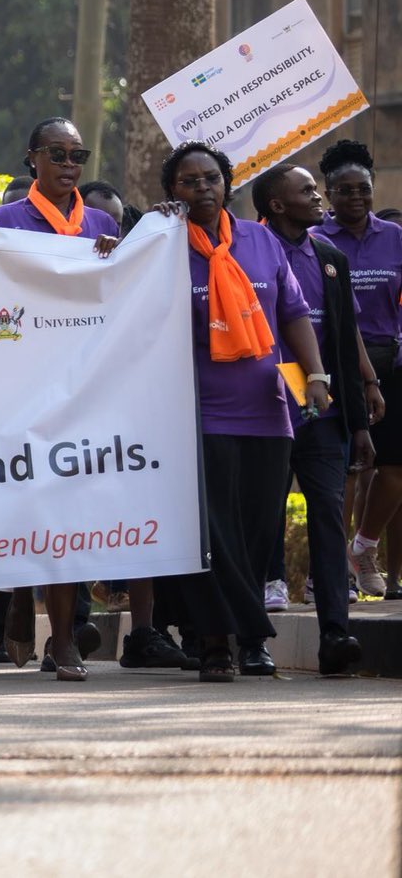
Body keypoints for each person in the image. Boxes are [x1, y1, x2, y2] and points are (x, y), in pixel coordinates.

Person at [161, 142, 332, 681]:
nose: (203, 187)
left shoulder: (260, 240)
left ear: (226, 182)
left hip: (268, 409)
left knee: (260, 531)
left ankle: (252, 639)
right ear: (174, 192)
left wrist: (317, 377)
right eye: (189, 181)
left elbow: (294, 314)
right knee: (213, 535)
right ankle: (217, 643)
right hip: (199, 412)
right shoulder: (162, 247)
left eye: (211, 177)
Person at [0, 119, 121, 681]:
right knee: (29, 504)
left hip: (84, 384)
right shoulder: (1, 221)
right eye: (59, 152)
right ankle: (21, 593)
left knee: (69, 505)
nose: (71, 161)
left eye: (79, 152)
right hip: (19, 382)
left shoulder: (101, 222)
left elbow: (125, 286)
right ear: (34, 159)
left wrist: (122, 254)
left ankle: (67, 640)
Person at [254, 164, 379, 675]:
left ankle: (336, 633)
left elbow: (345, 334)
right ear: (277, 205)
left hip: (322, 410)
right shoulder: (249, 252)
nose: (319, 196)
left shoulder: (329, 256)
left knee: (328, 511)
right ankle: (250, 634)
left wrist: (364, 399)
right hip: (262, 407)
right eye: (306, 190)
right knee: (260, 516)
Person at [317, 139, 402, 602]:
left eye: (363, 190)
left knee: (394, 467)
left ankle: (363, 547)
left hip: (393, 360)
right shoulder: (318, 238)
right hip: (340, 365)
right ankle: (331, 574)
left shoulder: (393, 236)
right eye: (344, 191)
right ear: (328, 194)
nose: (355, 198)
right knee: (349, 470)